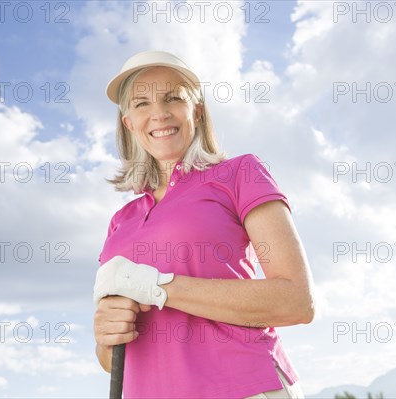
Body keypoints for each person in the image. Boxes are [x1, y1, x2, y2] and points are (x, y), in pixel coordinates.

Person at [93, 50, 316, 399]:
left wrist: (155, 286)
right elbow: (112, 361)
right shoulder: (121, 221)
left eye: (173, 98)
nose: (159, 113)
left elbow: (297, 301)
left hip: (244, 387)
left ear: (196, 110)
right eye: (141, 104)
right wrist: (106, 336)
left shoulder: (240, 174)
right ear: (128, 123)